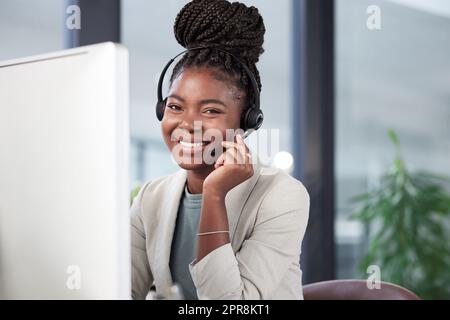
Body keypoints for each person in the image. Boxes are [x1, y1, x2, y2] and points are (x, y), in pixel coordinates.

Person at [131, 0, 309, 300]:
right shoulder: (151, 197)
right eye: (175, 106)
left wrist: (214, 195)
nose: (187, 124)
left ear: (247, 120)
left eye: (211, 111)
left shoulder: (282, 196)